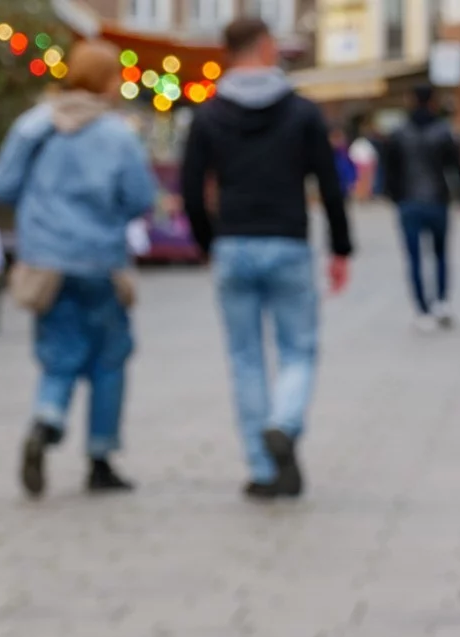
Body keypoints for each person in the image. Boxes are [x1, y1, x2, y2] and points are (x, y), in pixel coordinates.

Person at [180, 16, 353, 500]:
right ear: (264, 46)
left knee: (245, 359)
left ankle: (261, 467)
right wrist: (340, 247)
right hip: (288, 242)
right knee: (298, 349)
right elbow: (330, 184)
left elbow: (191, 190)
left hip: (233, 242)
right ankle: (284, 422)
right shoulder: (301, 113)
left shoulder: (209, 114)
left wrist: (207, 243)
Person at [0, 38, 159, 498]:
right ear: (105, 82)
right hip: (101, 260)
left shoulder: (33, 126)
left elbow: (1, 185)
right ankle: (100, 459)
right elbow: (141, 198)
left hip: (46, 262)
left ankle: (47, 420)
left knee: (59, 352)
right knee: (108, 358)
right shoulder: (118, 134)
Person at [377, 85, 460, 330]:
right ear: (433, 102)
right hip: (437, 200)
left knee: (414, 257)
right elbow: (456, 168)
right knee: (440, 254)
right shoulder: (443, 132)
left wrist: (393, 196)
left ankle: (422, 309)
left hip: (409, 202)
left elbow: (389, 171)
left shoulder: (398, 133)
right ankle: (441, 302)